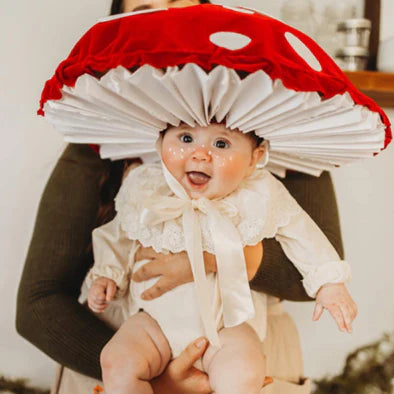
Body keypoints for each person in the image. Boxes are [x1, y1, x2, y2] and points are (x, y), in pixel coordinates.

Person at [16, 1, 346, 393]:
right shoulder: (119, 161)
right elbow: (39, 303)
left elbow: (312, 256)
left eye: (179, 4)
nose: (166, 20)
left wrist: (211, 260)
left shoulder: (282, 130)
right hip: (132, 341)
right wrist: (160, 378)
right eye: (145, 8)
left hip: (246, 342)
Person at [85, 121, 356, 394]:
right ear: (159, 144)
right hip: (154, 322)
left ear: (254, 159)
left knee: (243, 371)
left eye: (221, 144)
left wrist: (329, 283)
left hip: (228, 326)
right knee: (115, 359)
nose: (200, 154)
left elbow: (300, 231)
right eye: (186, 138)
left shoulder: (258, 192)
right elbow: (118, 234)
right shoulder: (146, 185)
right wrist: (107, 274)